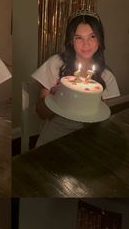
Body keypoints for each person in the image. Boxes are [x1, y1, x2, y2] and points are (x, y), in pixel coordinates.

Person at [32, 9, 120, 147]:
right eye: (79, 37)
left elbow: (104, 121)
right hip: (55, 137)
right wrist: (54, 96)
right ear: (71, 41)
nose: (86, 44)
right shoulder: (56, 64)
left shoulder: (106, 76)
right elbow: (42, 113)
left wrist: (95, 106)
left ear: (100, 38)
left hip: (89, 140)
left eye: (92, 36)